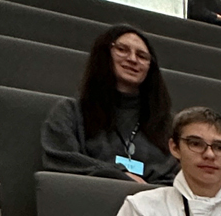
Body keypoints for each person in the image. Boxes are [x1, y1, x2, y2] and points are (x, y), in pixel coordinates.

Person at [41, 24, 175, 185]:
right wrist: (121, 175)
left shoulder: (165, 124)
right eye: (122, 49)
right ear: (105, 54)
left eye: (142, 56)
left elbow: (178, 178)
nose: (132, 59)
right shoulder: (70, 111)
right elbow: (61, 159)